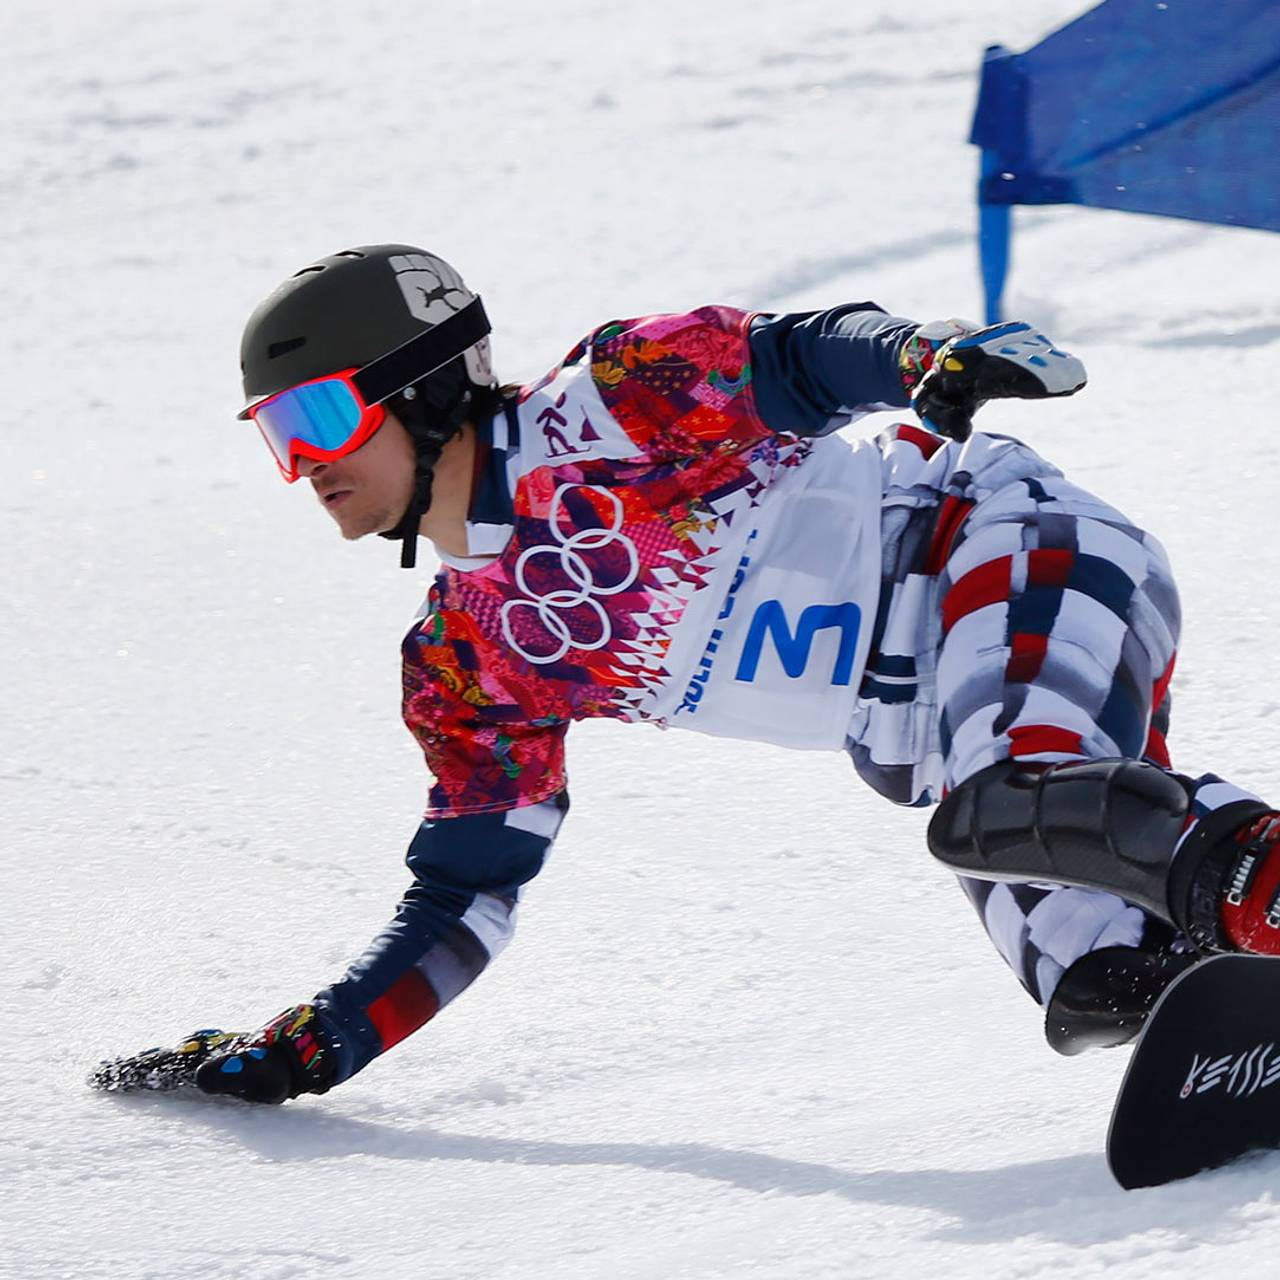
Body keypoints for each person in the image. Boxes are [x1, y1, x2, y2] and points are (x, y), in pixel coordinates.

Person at [91, 244, 1280, 1104]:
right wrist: (317, 1043)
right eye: (272, 437)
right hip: (926, 719)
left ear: (422, 381)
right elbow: (466, 895)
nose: (300, 467)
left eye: (314, 419)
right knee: (1095, 974)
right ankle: (1243, 969)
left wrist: (920, 354)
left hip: (1001, 547)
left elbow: (803, 360)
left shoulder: (608, 404)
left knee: (1013, 797)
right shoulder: (466, 659)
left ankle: (1249, 882)